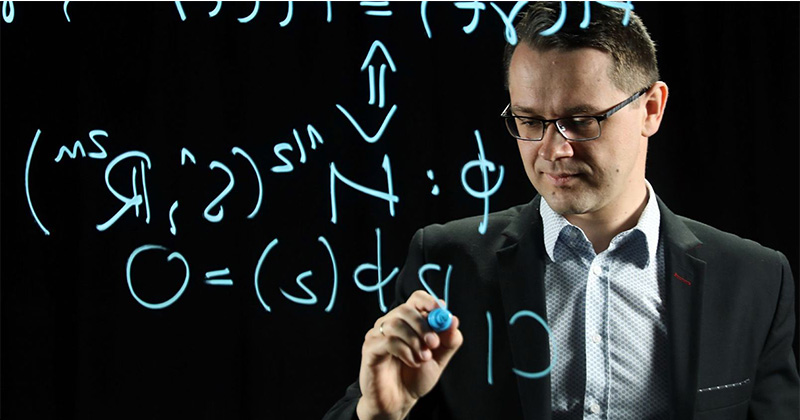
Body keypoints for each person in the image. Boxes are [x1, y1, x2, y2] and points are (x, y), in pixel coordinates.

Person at [324, 3, 800, 419]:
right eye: (529, 121)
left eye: (581, 121)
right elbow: (374, 403)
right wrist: (379, 415)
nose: (553, 150)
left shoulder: (754, 278)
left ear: (651, 109)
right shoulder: (446, 261)